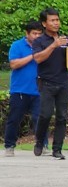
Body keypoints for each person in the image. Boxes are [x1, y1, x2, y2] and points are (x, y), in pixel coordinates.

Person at [30, 8, 68, 159]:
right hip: (46, 82)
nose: (56, 23)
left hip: (63, 82)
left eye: (57, 20)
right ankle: (39, 142)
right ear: (44, 24)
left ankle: (57, 149)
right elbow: (38, 59)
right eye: (52, 20)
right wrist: (53, 45)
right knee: (45, 115)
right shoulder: (39, 41)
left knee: (62, 117)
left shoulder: (64, 39)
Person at [5, 21, 43, 156]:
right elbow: (14, 64)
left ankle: (42, 145)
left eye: (39, 34)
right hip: (20, 89)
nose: (37, 36)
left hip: (39, 89)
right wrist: (33, 55)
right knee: (14, 119)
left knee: (41, 119)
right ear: (27, 33)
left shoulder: (44, 46)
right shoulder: (17, 45)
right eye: (34, 33)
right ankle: (9, 146)